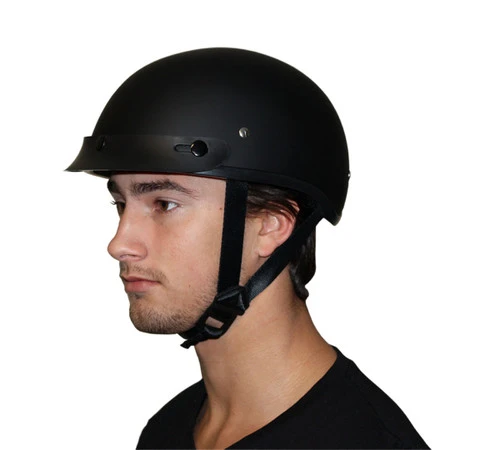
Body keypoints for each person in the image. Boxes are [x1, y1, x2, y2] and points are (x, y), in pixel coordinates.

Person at [67, 48, 429, 449]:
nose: (119, 244)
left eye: (165, 204)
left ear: (271, 226)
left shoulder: (367, 442)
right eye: (121, 204)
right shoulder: (167, 430)